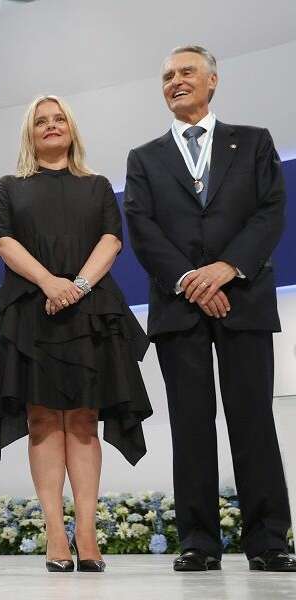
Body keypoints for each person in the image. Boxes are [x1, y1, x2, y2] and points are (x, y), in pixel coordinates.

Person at [124, 45, 295, 573]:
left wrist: (228, 268)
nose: (175, 81)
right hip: (179, 308)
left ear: (212, 81)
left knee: (252, 420)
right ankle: (199, 540)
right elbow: (142, 228)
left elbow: (269, 212)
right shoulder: (144, 157)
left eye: (187, 72)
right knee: (190, 426)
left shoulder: (254, 142)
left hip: (242, 299)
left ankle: (269, 540)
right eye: (168, 75)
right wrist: (189, 280)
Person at [0, 95, 153, 573]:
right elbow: (2, 240)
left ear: (72, 130)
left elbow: (111, 239)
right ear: (30, 132)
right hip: (31, 311)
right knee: (41, 421)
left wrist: (76, 286)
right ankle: (54, 532)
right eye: (42, 121)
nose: (52, 126)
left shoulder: (97, 185)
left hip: (90, 309)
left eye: (60, 119)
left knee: (83, 421)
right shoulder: (9, 186)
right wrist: (48, 282)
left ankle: (86, 531)